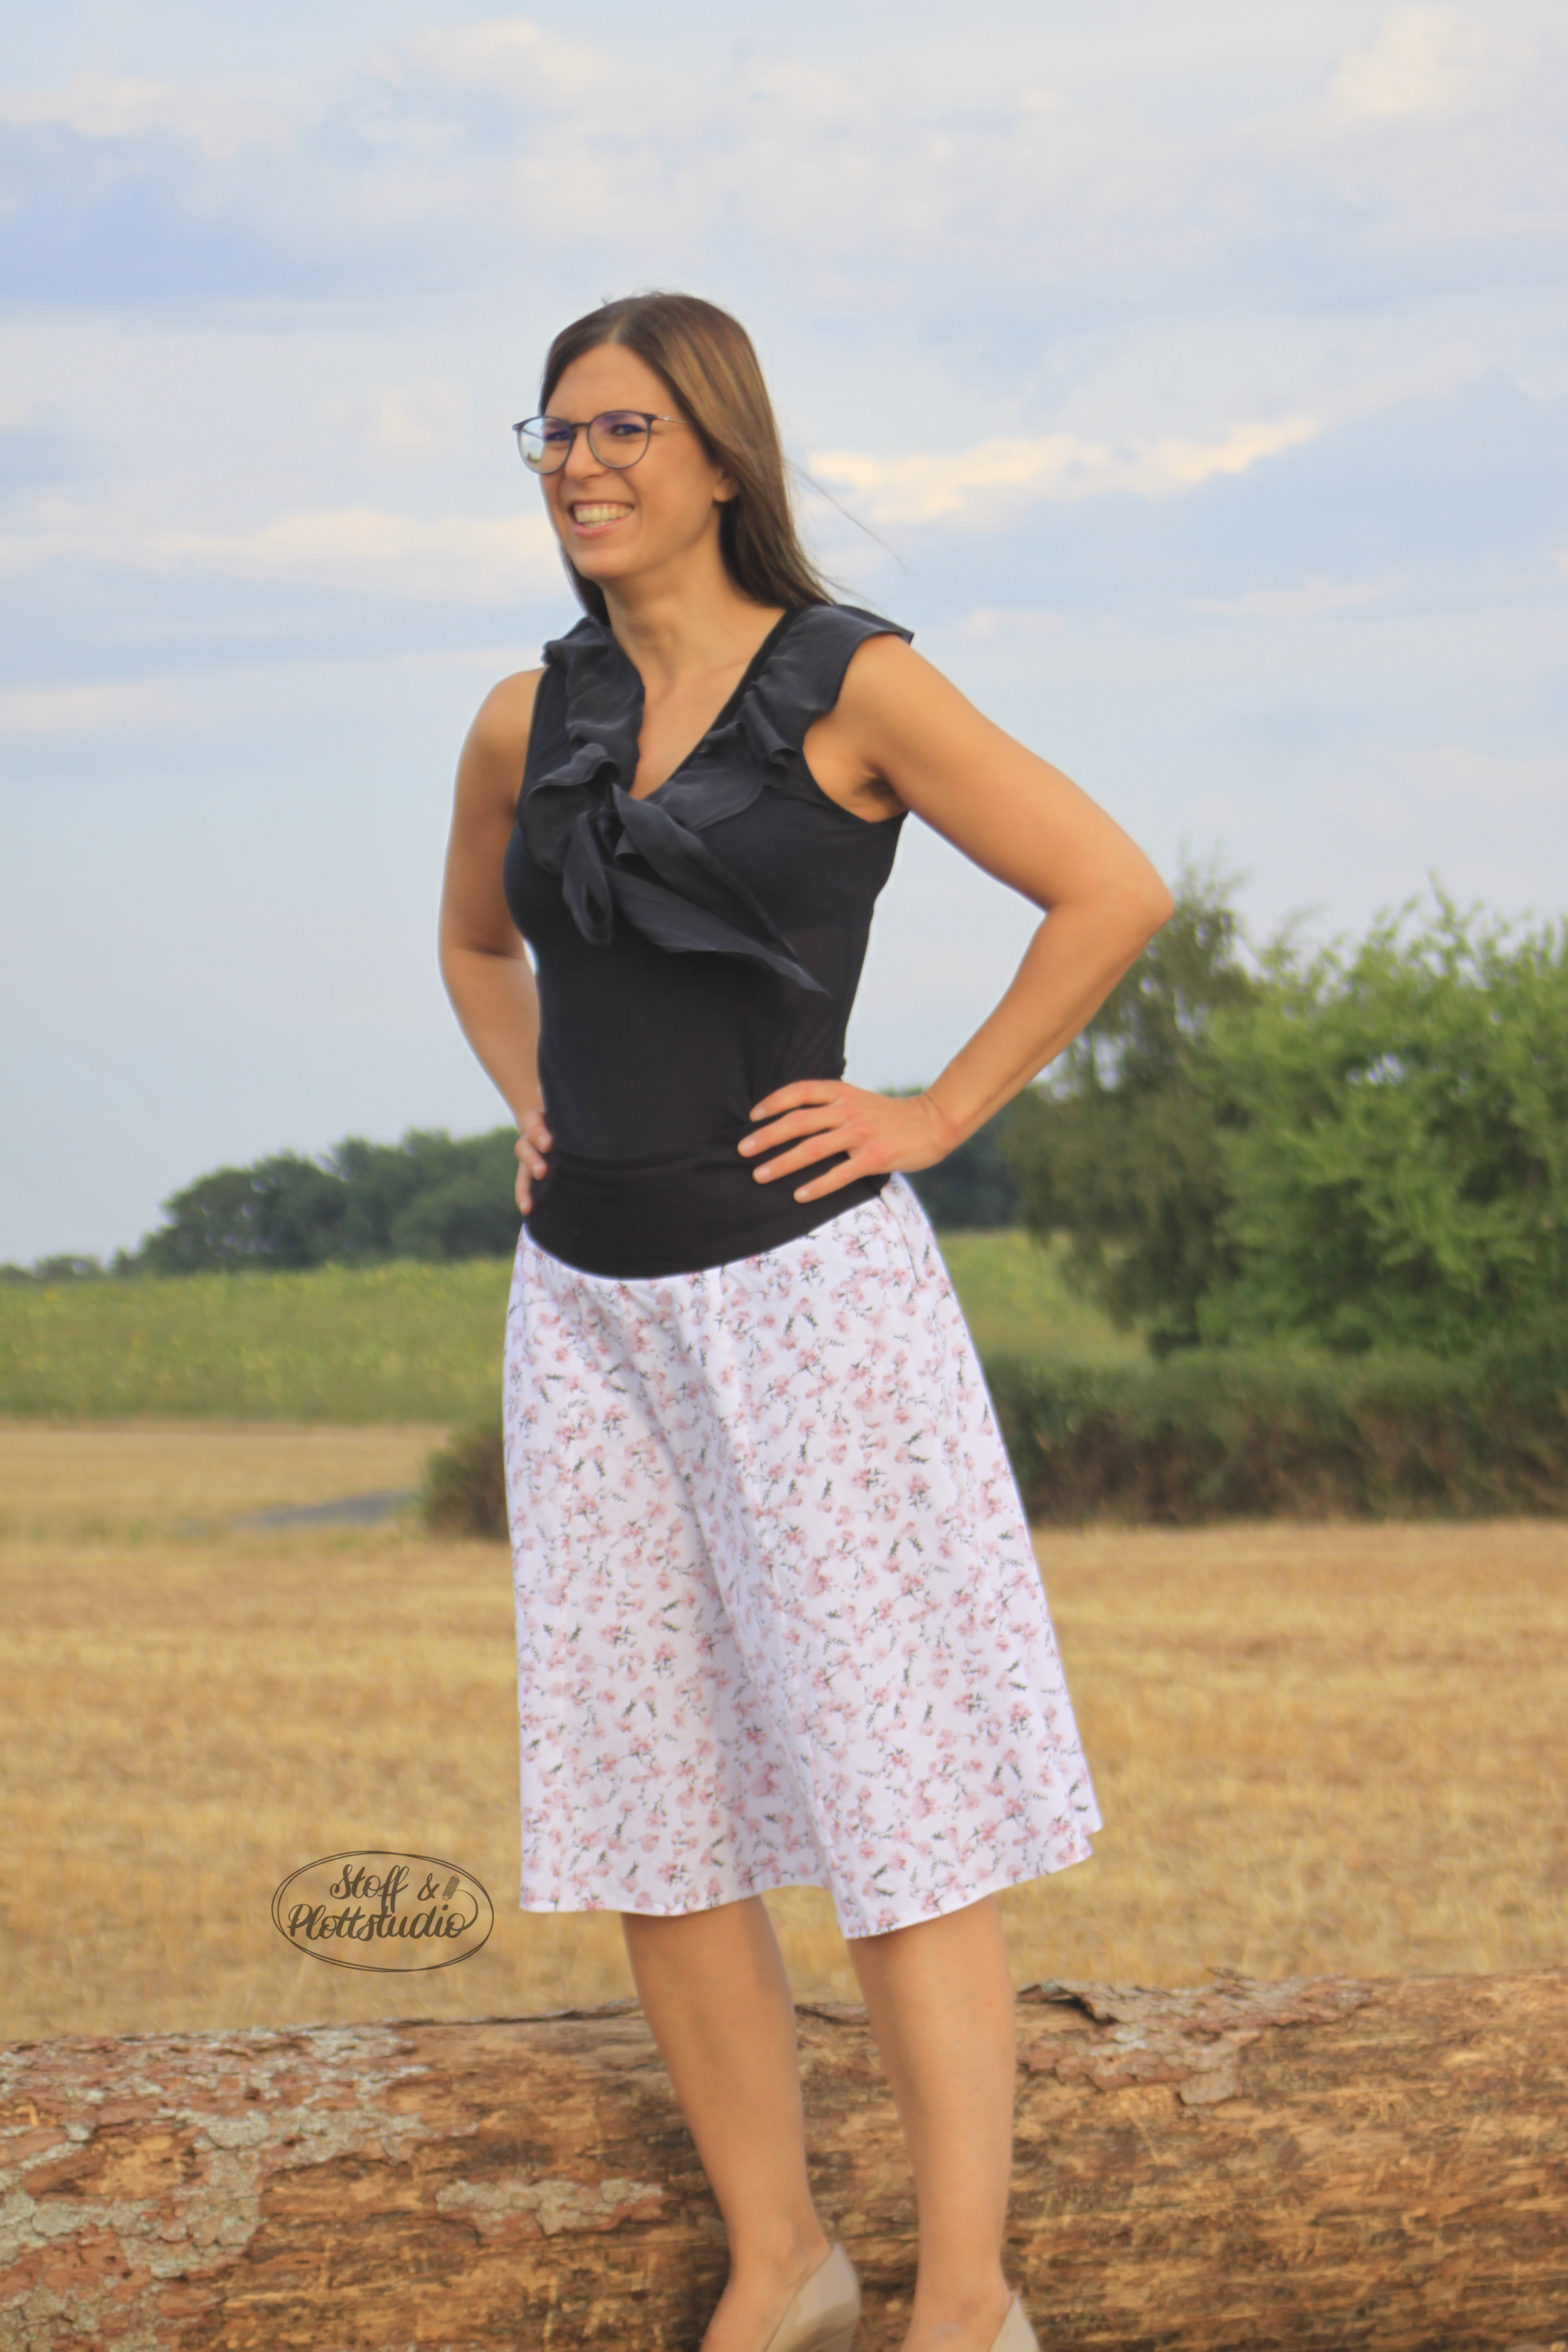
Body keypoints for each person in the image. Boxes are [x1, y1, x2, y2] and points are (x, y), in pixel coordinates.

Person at [439, 291, 1172, 2352]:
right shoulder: (523, 718)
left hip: (806, 1311)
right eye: (555, 432)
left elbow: (1110, 888)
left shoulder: (858, 684)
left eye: (621, 430)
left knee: (898, 1806)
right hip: (584, 1319)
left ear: (719, 456)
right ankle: (787, 2261)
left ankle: (966, 2298)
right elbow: (477, 945)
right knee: (658, 1819)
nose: (580, 465)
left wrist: (933, 1111)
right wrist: (534, 1103)